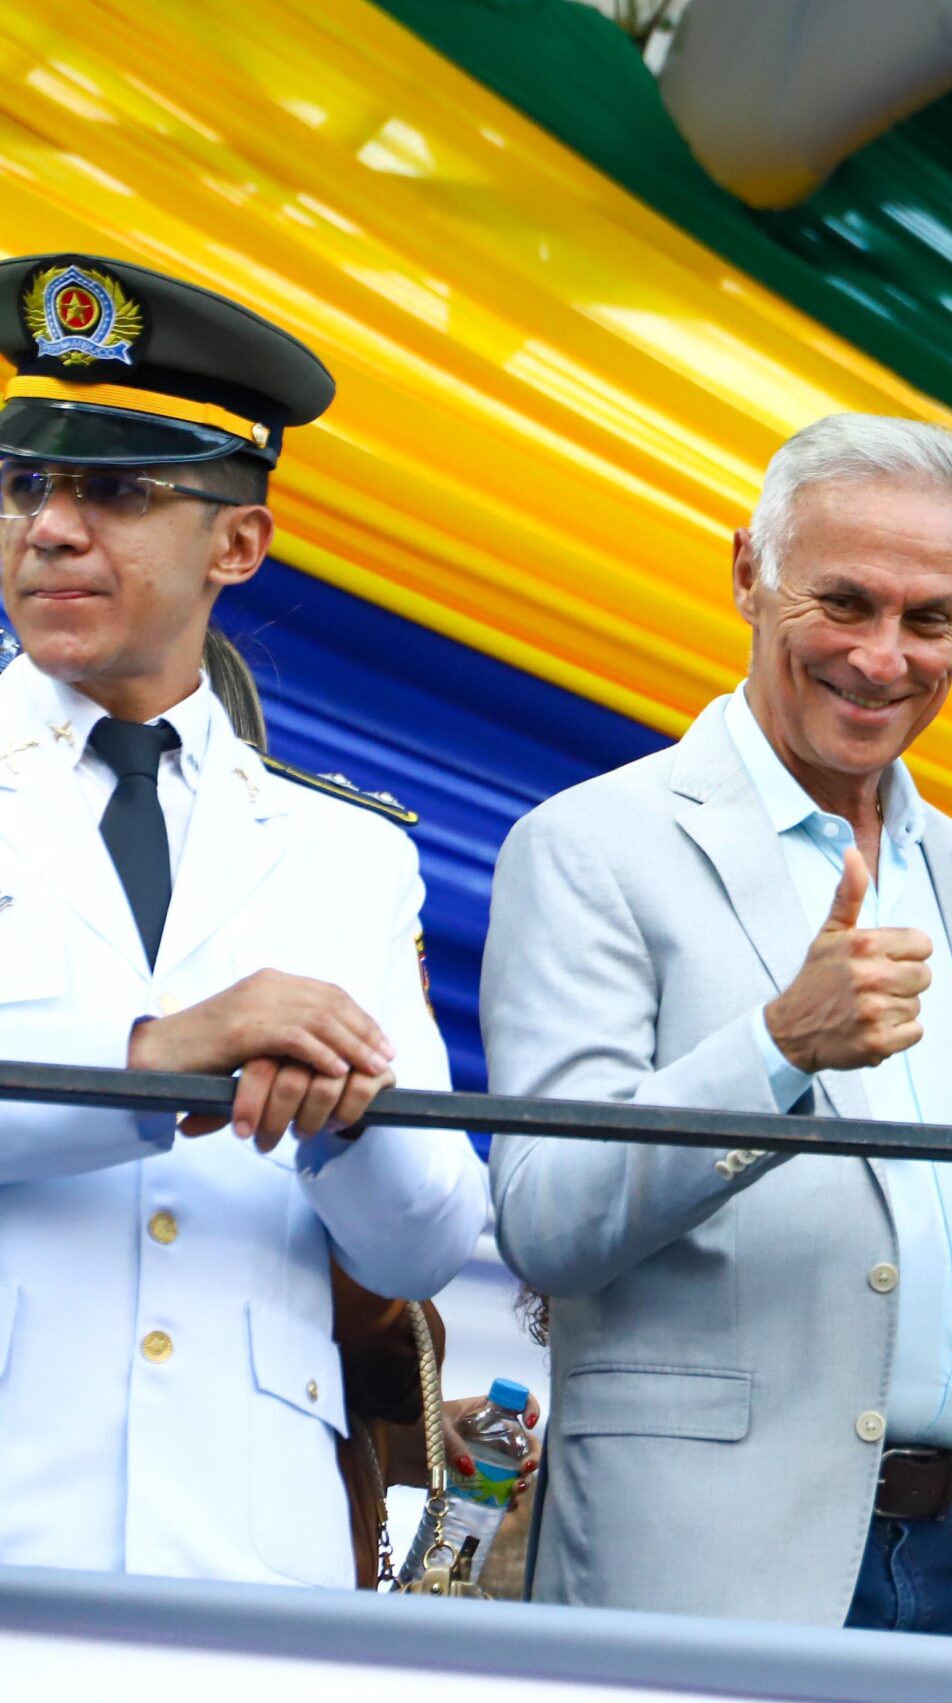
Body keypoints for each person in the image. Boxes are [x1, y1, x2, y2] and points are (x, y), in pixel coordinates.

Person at [481, 413, 952, 1631]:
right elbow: (546, 1215)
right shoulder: (590, 845)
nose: (884, 658)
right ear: (745, 574)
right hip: (699, 1561)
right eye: (843, 602)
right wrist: (778, 1048)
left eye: (930, 618)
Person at [0, 252, 485, 1586]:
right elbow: (149, 1059)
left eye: (116, 489)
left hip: (248, 1548)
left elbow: (426, 1234)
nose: (48, 526)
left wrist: (347, 1113)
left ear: (239, 542)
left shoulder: (351, 850)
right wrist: (163, 1053)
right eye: (25, 481)